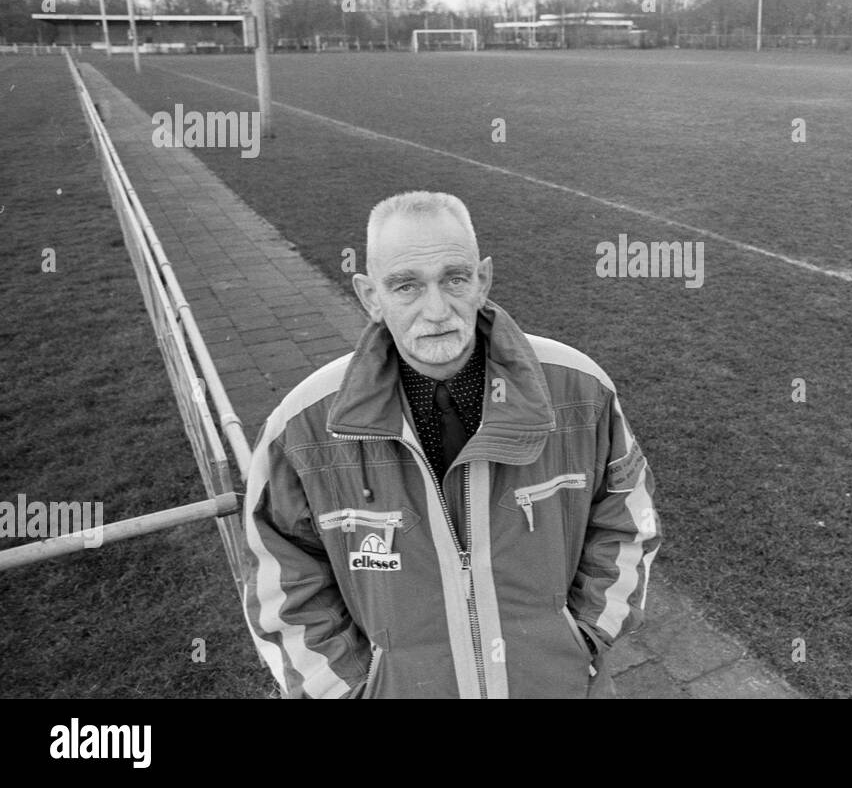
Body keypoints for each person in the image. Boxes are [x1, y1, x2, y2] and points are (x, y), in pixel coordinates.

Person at [241, 191, 660, 698]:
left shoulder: (580, 391)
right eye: (406, 286)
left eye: (454, 279)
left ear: (482, 280)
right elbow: (280, 577)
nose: (436, 310)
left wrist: (587, 636)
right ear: (370, 296)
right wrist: (349, 689)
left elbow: (627, 520)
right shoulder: (304, 427)